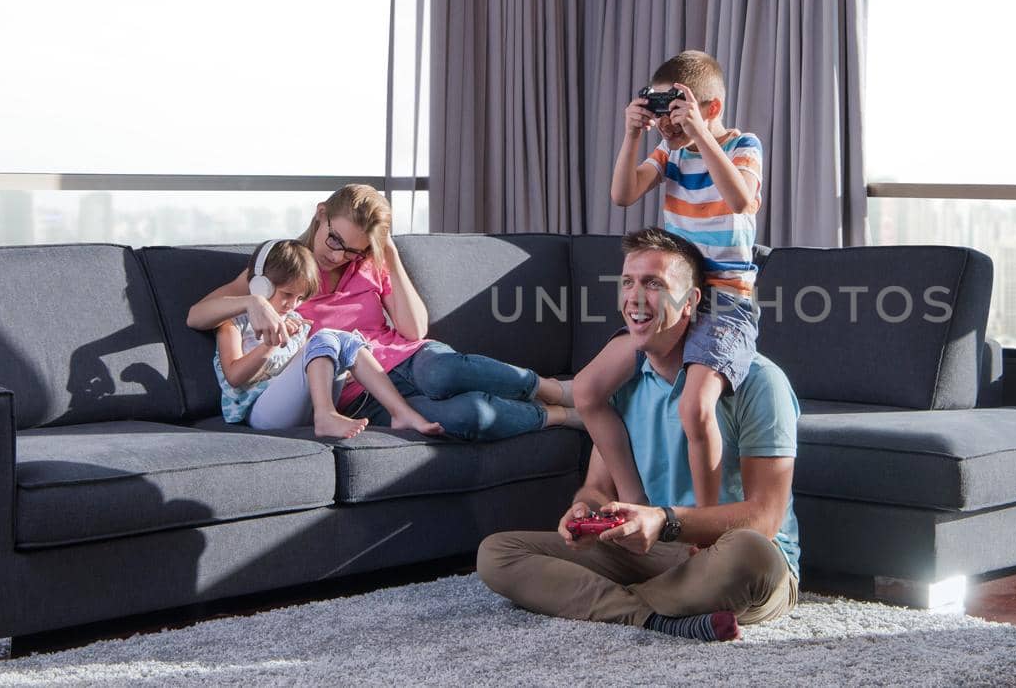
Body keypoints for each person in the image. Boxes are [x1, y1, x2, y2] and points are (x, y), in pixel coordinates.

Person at [477, 228, 800, 642]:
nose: (635, 297)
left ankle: (606, 603)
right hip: (650, 553)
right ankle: (656, 618)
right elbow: (596, 487)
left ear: (690, 303)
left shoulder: (759, 382)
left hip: (722, 556)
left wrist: (665, 521)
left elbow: (765, 518)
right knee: (497, 554)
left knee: (751, 555)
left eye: (654, 284)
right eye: (628, 282)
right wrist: (583, 512)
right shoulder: (621, 385)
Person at [188, 184, 579, 440]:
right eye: (335, 240)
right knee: (468, 417)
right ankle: (558, 415)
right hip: (363, 394)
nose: (338, 255)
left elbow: (413, 330)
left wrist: (387, 253)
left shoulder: (371, 263)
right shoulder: (283, 271)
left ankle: (554, 388)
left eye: (353, 250)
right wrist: (252, 302)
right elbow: (198, 314)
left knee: (444, 371)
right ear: (320, 213)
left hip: (409, 360)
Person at [575, 50, 765, 508]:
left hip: (724, 302)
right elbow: (622, 195)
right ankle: (634, 499)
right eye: (660, 113)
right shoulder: (668, 151)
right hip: (672, 300)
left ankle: (703, 523)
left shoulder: (743, 145)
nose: (667, 126)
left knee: (695, 408)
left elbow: (741, 200)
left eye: (675, 114)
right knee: (587, 391)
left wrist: (699, 134)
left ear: (710, 109)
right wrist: (631, 136)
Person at [212, 239, 444, 439]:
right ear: (259, 285)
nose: (292, 305)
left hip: (296, 407)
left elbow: (304, 369)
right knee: (324, 336)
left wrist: (343, 365)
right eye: (287, 295)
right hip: (257, 412)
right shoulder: (234, 322)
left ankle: (400, 412)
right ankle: (325, 416)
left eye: (300, 298)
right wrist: (270, 345)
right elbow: (234, 377)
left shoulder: (296, 323)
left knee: (344, 339)